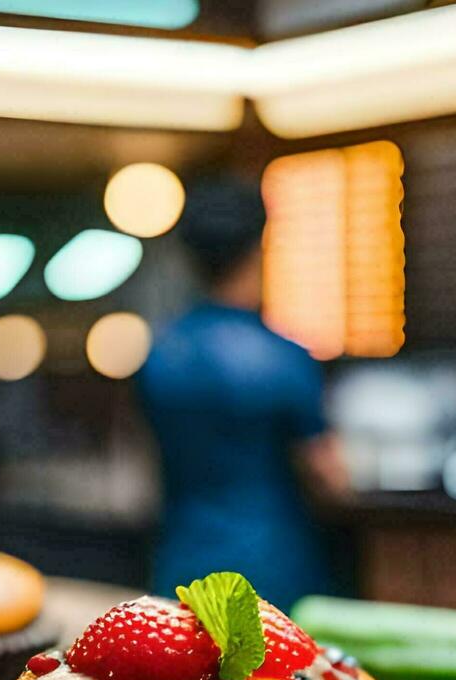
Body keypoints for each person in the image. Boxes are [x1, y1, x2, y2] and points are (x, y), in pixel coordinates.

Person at [137, 176, 348, 610]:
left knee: (187, 678)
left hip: (182, 562)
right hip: (272, 565)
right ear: (259, 248)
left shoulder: (159, 356)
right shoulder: (283, 358)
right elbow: (330, 479)